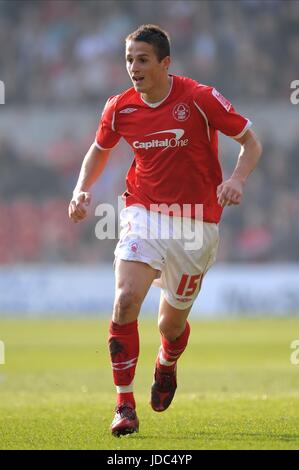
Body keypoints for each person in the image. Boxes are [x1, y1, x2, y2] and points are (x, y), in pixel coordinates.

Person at [68, 24, 262, 437]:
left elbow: (251, 142)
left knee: (170, 327)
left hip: (197, 223)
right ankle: (124, 404)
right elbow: (98, 150)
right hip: (144, 213)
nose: (133, 68)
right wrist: (81, 190)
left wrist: (237, 179)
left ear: (165, 62)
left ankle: (167, 362)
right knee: (124, 301)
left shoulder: (198, 98)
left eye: (142, 59)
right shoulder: (119, 108)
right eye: (128, 59)